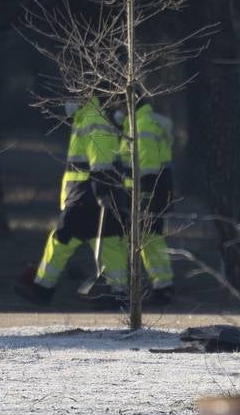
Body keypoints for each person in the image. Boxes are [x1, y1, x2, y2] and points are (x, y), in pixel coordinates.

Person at [14, 97, 128, 306]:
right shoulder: (90, 117)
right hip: (94, 194)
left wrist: (101, 191)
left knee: (62, 240)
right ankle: (119, 293)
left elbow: (100, 159)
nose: (67, 102)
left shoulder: (93, 117)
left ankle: (43, 288)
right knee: (110, 242)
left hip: (85, 195)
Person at [115, 102, 175, 305]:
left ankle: (163, 287)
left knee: (151, 238)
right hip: (150, 192)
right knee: (148, 238)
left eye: (119, 106)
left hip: (149, 193)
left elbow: (148, 168)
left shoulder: (142, 125)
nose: (117, 111)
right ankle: (162, 286)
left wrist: (145, 201)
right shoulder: (140, 122)